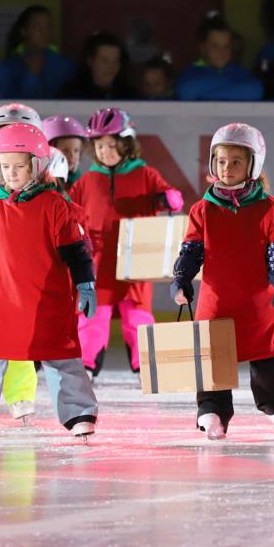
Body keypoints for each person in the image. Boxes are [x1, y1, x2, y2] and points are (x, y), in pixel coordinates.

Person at [0, 123, 99, 442]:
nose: (12, 173)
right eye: (5, 166)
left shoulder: (55, 204)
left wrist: (85, 284)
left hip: (48, 303)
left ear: (36, 166)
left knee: (62, 359)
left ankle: (79, 412)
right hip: (2, 304)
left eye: (20, 166)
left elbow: (75, 251)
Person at [170, 123, 274, 440]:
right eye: (222, 161)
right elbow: (191, 250)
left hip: (259, 304)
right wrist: (182, 278)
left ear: (253, 165)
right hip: (216, 302)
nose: (227, 168)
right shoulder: (203, 210)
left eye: (236, 161)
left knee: (269, 355)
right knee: (212, 357)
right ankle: (212, 410)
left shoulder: (272, 210)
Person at [69, 108, 183, 379]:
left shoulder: (145, 175)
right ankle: (87, 362)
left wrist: (170, 199)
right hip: (98, 260)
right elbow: (68, 209)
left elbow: (170, 195)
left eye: (111, 144)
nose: (105, 151)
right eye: (99, 146)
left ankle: (145, 363)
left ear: (126, 144)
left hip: (136, 260)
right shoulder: (87, 181)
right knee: (93, 315)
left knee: (138, 317)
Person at [176, 12, 263, 101]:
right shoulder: (191, 71)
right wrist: (233, 83)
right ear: (203, 49)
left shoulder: (240, 71)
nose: (222, 52)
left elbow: (255, 91)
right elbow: (186, 92)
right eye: (215, 46)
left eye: (226, 46)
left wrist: (202, 94)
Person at [5, 5, 74, 99]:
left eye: (48, 27)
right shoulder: (9, 67)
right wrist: (32, 76)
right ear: (24, 31)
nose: (44, 32)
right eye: (38, 27)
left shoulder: (65, 66)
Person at [59, 32, 138, 100]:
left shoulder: (130, 96)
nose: (110, 67)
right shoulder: (71, 95)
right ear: (90, 61)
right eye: (104, 61)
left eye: (115, 61)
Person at [42, 115, 88, 187]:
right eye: (65, 151)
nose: (72, 156)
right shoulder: (43, 184)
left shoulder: (79, 180)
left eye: (76, 151)